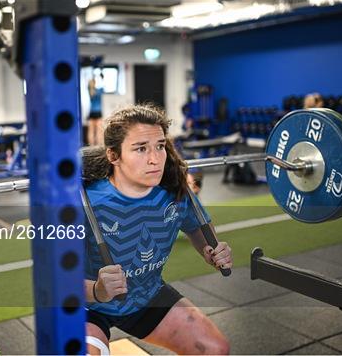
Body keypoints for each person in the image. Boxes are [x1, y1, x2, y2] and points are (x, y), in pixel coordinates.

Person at [82, 104, 231, 355]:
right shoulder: (85, 200)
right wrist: (97, 290)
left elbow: (197, 229)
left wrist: (211, 249)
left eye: (160, 146)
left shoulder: (172, 190)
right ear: (113, 155)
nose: (154, 159)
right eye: (140, 148)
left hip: (145, 295)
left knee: (214, 349)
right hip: (86, 305)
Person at [88, 75, 104, 146]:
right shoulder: (99, 90)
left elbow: (89, 86)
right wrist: (101, 77)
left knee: (91, 131)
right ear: (95, 83)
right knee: (99, 131)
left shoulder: (90, 91)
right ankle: (98, 146)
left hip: (91, 112)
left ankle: (91, 145)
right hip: (98, 112)